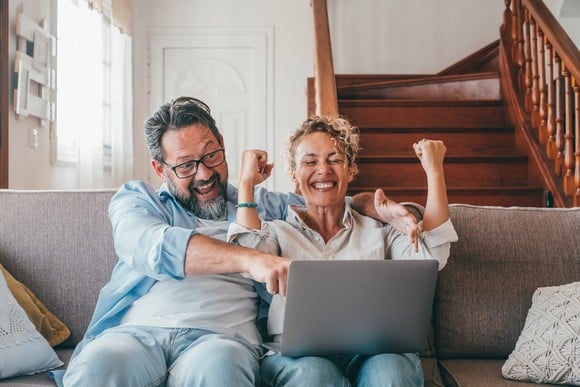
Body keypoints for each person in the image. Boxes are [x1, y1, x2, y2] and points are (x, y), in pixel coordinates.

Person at [53, 97, 420, 387]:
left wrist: (375, 205)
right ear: (160, 169)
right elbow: (154, 246)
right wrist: (251, 260)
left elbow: (324, 199)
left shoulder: (264, 206)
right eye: (185, 165)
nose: (205, 173)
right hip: (137, 333)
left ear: (223, 145)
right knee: (97, 366)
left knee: (220, 369)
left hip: (222, 339)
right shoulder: (138, 202)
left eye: (212, 155)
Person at [228, 115, 459, 387]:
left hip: (374, 352)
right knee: (315, 376)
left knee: (391, 373)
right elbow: (246, 254)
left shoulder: (380, 230)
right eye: (310, 161)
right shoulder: (278, 233)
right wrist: (246, 185)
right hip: (300, 358)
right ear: (294, 175)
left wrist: (434, 171)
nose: (323, 169)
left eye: (334, 159)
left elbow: (432, 255)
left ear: (350, 170)